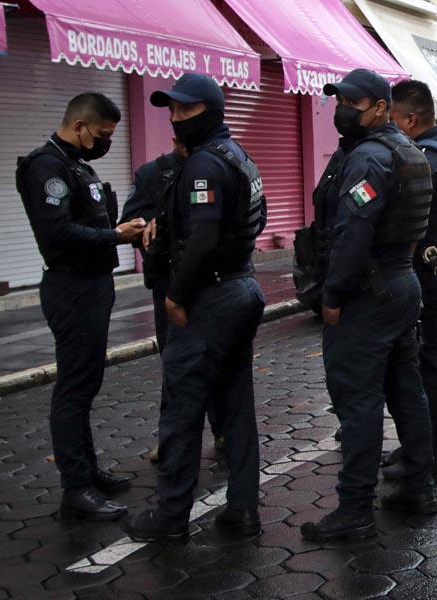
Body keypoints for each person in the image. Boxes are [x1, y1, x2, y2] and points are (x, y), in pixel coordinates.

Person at [121, 73, 266, 542]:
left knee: (182, 411)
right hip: (241, 286)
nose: (177, 118)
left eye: (187, 110)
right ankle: (242, 509)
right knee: (235, 405)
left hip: (213, 296)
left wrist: (176, 295)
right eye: (173, 110)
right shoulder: (237, 156)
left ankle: (170, 517)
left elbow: (202, 236)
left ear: (212, 111)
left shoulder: (204, 164)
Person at [299, 68, 435, 541]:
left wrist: (332, 295)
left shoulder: (370, 159)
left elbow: (353, 234)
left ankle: (355, 509)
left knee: (357, 401)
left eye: (353, 104)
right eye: (339, 102)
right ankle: (419, 487)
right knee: (405, 389)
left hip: (368, 292)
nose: (342, 111)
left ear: (380, 107)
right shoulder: (404, 149)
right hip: (399, 283)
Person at [16, 93, 146, 520]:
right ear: (79, 127)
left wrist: (116, 229)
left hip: (93, 285)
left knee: (85, 385)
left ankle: (87, 471)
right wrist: (116, 236)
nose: (107, 141)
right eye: (103, 134)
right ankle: (75, 489)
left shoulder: (76, 165)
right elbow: (57, 235)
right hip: (71, 288)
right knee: (73, 389)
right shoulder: (46, 166)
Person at [119, 139, 223, 463]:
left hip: (214, 283)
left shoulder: (216, 165)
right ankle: (172, 438)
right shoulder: (153, 174)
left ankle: (223, 432)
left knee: (218, 360)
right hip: (170, 284)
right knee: (175, 363)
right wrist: (145, 224)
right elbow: (130, 221)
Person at [384, 79, 437, 480]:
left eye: (394, 119)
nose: (391, 126)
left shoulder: (428, 160)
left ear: (410, 118)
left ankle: (432, 450)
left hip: (426, 268)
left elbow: (410, 223)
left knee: (421, 361)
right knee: (419, 359)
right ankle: (419, 445)